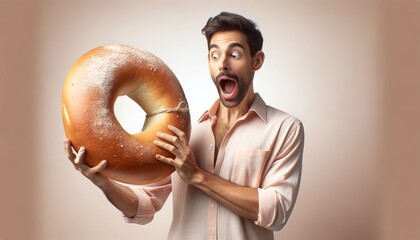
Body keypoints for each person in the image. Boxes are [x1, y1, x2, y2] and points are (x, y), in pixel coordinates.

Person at [64, 11, 304, 240]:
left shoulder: (285, 128)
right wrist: (102, 181)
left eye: (235, 54)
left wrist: (198, 176)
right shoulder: (184, 131)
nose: (223, 64)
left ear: (257, 61)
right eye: (215, 55)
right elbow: (145, 206)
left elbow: (277, 211)